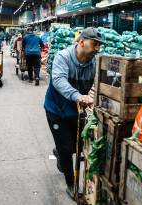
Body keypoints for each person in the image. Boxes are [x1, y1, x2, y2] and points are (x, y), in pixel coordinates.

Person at [44, 27, 103, 199]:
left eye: (100, 45)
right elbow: (58, 80)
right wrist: (78, 96)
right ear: (82, 41)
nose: (97, 49)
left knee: (78, 144)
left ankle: (61, 153)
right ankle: (71, 183)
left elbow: (99, 82)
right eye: (95, 44)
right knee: (66, 147)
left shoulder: (94, 62)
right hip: (57, 110)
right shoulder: (63, 57)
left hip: (77, 111)